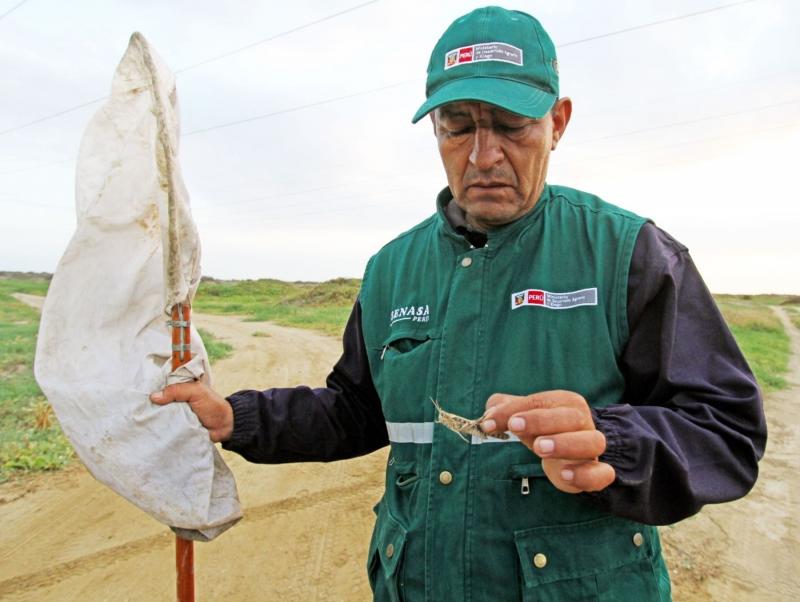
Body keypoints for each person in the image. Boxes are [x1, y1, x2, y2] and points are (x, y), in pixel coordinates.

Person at [151, 7, 766, 600]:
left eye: (510, 124)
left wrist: (612, 441)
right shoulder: (392, 268)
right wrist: (237, 419)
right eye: (459, 125)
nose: (483, 154)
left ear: (558, 121)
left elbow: (726, 428)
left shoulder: (631, 254)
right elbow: (358, 410)